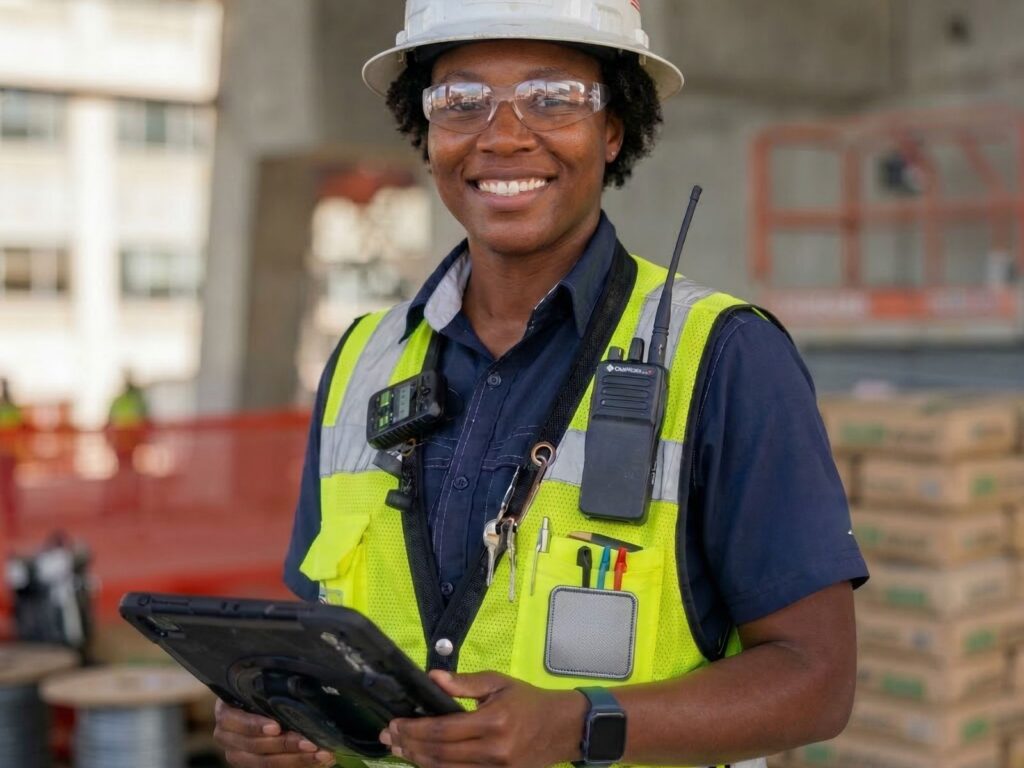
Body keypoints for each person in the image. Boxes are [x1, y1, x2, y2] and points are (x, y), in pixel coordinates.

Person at [214, 2, 868, 766]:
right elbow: (322, 626)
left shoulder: (726, 357)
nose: (503, 134)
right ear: (426, 134)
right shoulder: (362, 358)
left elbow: (817, 680)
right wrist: (280, 719)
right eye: (461, 101)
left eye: (553, 97)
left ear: (613, 129)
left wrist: (578, 723)